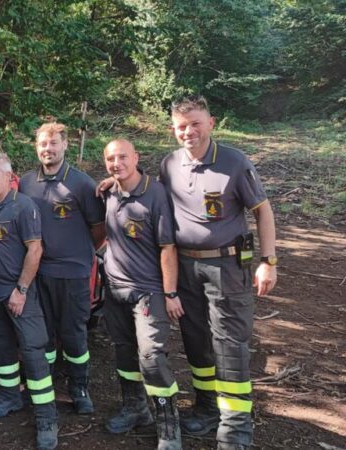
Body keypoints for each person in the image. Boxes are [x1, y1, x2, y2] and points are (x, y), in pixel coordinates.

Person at [163, 95, 277, 450]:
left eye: (195, 123)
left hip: (227, 266)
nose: (189, 132)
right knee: (196, 342)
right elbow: (151, 203)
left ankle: (236, 428)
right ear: (173, 130)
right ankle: (207, 408)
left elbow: (263, 211)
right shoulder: (168, 165)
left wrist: (268, 261)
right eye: (182, 126)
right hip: (185, 266)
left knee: (229, 344)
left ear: (211, 123)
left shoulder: (234, 162)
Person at [0, 153, 59, 450]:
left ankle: (47, 416)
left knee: (33, 351)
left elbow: (35, 250)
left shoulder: (23, 207)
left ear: (9, 177)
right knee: (1, 348)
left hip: (18, 294)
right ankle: (10, 397)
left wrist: (21, 290)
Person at [100, 139, 183, 450]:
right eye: (111, 159)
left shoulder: (155, 193)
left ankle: (169, 426)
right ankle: (135, 409)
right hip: (114, 289)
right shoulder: (108, 191)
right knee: (123, 353)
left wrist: (170, 292)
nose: (117, 163)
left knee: (150, 357)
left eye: (123, 157)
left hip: (148, 292)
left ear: (137, 157)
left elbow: (167, 248)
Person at [18, 122, 106, 414]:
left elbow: (98, 229)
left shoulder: (82, 184)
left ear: (65, 146)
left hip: (73, 273)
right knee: (44, 333)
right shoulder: (27, 183)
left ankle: (79, 387)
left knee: (73, 334)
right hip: (39, 273)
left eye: (54, 144)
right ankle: (48, 381)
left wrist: (79, 253)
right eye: (43, 144)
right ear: (36, 147)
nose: (48, 149)